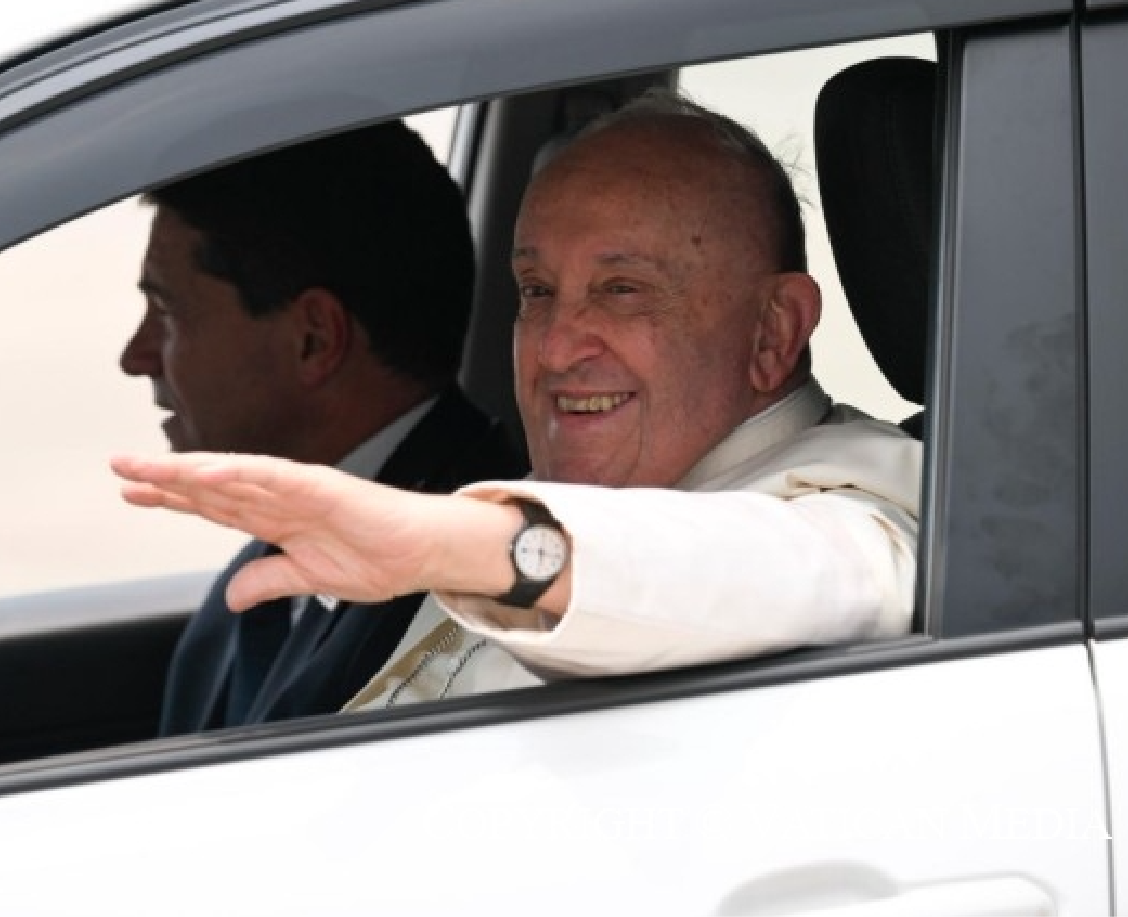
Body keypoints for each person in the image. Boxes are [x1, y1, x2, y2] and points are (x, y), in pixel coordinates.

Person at [113, 95, 921, 709]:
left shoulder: (872, 501)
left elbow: (782, 576)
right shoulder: (558, 496)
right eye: (537, 290)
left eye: (622, 290)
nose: (556, 346)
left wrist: (469, 546)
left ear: (774, 331)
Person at [122, 121, 525, 733]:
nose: (137, 355)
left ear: (315, 339)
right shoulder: (262, 571)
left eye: (170, 314)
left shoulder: (480, 597)